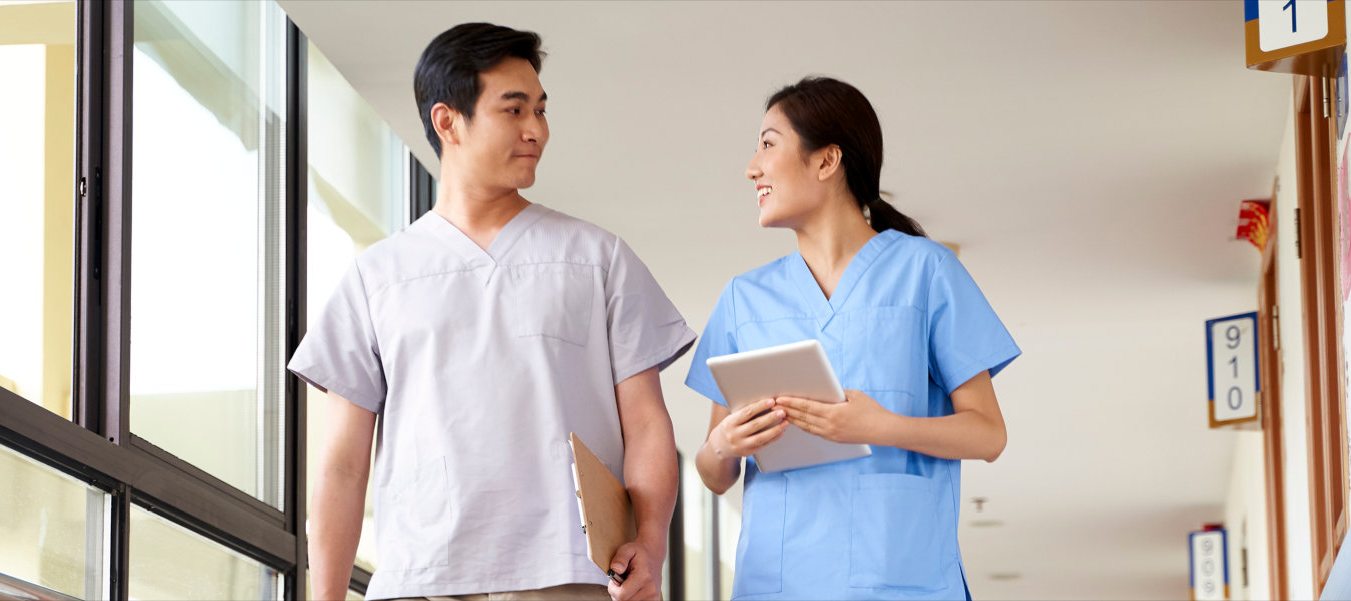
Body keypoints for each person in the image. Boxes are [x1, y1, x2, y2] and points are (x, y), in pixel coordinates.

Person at [290, 22, 694, 601]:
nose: (536, 130)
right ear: (447, 121)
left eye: (541, 110)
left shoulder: (596, 258)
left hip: (571, 576)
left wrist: (651, 545)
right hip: (420, 580)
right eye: (514, 110)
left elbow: (648, 423)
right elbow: (343, 466)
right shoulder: (376, 277)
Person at [686, 77, 1020, 600]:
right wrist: (723, 445)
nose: (752, 167)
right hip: (777, 581)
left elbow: (988, 435)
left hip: (900, 575)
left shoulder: (925, 271)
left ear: (826, 160)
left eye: (768, 145)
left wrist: (881, 426)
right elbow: (713, 474)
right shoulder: (743, 299)